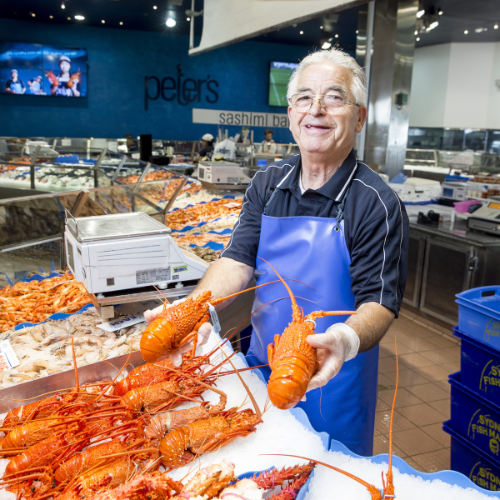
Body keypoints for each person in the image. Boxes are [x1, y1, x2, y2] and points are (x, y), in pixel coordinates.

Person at [144, 47, 409, 456]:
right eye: (304, 97)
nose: (316, 109)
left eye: (334, 97)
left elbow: (380, 303)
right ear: (290, 115)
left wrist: (344, 339)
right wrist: (192, 309)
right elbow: (236, 261)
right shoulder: (267, 183)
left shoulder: (376, 202)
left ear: (358, 117)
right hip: (260, 369)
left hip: (333, 382)